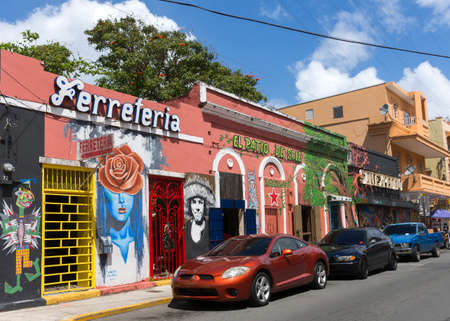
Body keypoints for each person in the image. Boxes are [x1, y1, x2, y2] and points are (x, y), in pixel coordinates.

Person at [183, 176, 215, 259]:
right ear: (189, 206)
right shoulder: (185, 228)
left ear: (205, 206)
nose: (197, 207)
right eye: (194, 202)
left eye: (200, 202)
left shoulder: (211, 227)